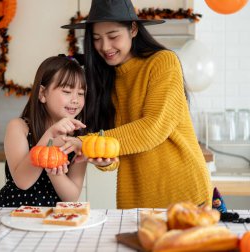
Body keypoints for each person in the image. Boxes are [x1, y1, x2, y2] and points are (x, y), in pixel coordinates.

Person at [61, 0, 212, 209]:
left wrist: (87, 142)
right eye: (96, 39)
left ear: (133, 29)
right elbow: (115, 143)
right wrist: (105, 159)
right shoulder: (105, 77)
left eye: (113, 36)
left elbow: (153, 128)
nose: (105, 47)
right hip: (135, 199)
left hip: (183, 192)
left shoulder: (162, 62)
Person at [0, 56, 87, 207]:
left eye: (81, 93)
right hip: (14, 213)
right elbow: (23, 182)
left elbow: (72, 197)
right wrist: (49, 137)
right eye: (67, 91)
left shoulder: (76, 141)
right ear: (42, 93)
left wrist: (55, 171)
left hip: (53, 217)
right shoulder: (18, 127)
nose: (75, 99)